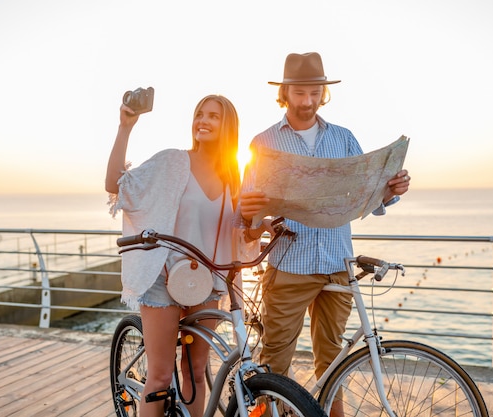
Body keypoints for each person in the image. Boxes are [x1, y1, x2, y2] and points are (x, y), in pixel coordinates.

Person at [237, 52, 411, 417]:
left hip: (336, 263)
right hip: (289, 267)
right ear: (285, 93)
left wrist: (390, 191)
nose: (308, 101)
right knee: (274, 362)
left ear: (322, 93)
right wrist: (253, 211)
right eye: (300, 93)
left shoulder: (344, 138)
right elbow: (247, 214)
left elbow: (368, 198)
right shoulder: (263, 142)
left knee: (334, 363)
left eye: (315, 92)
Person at [106, 93, 241, 417]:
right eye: (200, 114)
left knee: (195, 371)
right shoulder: (173, 162)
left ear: (228, 127)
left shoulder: (233, 176)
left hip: (204, 283)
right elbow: (115, 183)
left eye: (213, 116)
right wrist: (125, 127)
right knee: (161, 375)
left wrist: (258, 224)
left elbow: (237, 229)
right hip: (162, 278)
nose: (203, 121)